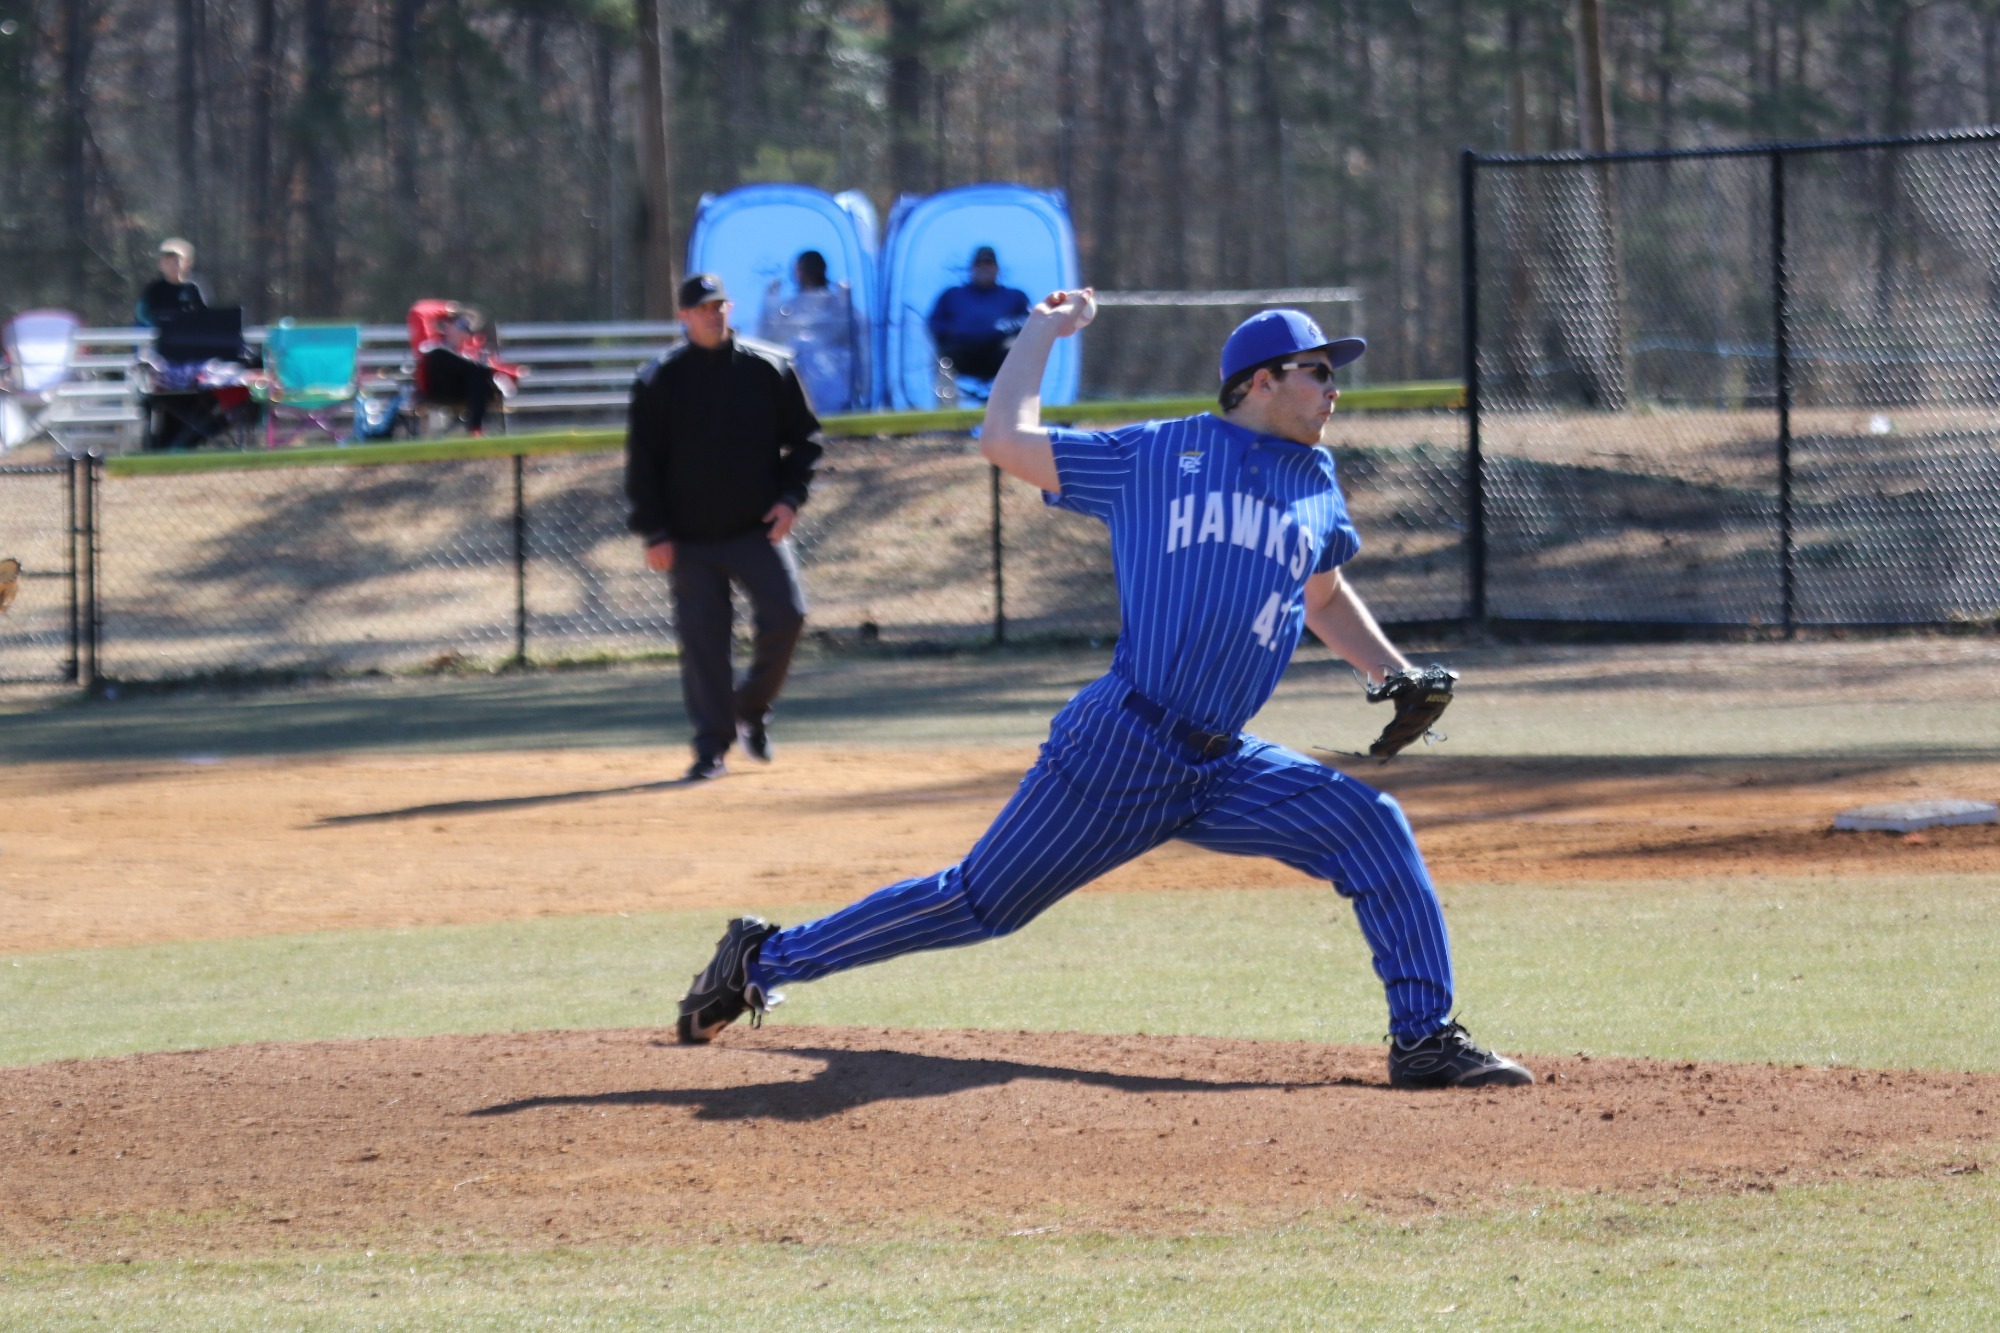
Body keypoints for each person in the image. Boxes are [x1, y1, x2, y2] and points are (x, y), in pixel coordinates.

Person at [675, 295, 1536, 1091]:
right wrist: (1041, 333)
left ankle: (1424, 1038)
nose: (1334, 389)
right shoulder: (1156, 453)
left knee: (1370, 825)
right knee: (977, 903)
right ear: (1262, 381)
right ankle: (762, 957)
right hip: (1123, 747)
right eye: (1318, 371)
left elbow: (1322, 595)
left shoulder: (1314, 479)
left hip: (1222, 764)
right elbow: (1004, 438)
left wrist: (1390, 672)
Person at [625, 273, 823, 782]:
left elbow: (806, 441)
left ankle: (750, 707)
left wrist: (790, 499)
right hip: (689, 537)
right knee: (704, 642)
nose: (713, 315)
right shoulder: (660, 378)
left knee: (788, 614)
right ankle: (710, 747)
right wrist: (654, 531)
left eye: (719, 306)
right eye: (702, 308)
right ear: (684, 317)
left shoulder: (768, 367)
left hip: (756, 528)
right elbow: (642, 463)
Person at [757, 250, 856, 413]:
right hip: (796, 386)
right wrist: (769, 304)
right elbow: (767, 340)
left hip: (834, 382)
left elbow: (853, 337)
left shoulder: (836, 304)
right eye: (803, 269)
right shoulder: (789, 307)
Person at [926, 245, 1031, 386]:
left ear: (997, 268)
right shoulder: (952, 295)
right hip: (962, 351)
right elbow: (935, 323)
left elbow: (1028, 322)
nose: (984, 268)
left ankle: (1018, 397)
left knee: (1015, 351)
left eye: (989, 264)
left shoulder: (1015, 296)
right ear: (972, 268)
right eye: (979, 264)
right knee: (944, 358)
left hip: (999, 352)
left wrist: (1004, 328)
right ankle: (946, 398)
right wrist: (955, 330)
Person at [416, 306, 508, 436]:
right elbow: (419, 311)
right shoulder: (434, 347)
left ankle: (475, 428)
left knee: (480, 375)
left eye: (467, 328)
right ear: (447, 326)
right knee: (444, 357)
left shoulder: (473, 352)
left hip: (464, 392)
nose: (464, 331)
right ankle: (475, 428)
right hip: (438, 391)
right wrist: (449, 306)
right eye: (461, 325)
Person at [136, 238, 207, 328]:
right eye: (167, 263)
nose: (172, 267)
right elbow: (142, 315)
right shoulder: (153, 289)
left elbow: (202, 314)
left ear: (185, 264)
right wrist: (159, 325)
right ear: (160, 265)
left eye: (176, 262)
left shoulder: (191, 289)